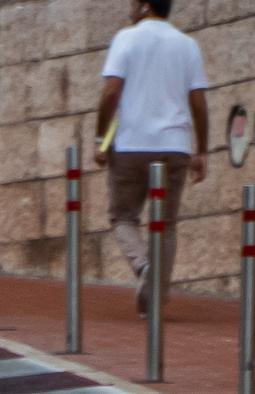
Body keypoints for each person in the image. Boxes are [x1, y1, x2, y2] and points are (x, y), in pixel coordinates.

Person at [96, 0, 209, 315]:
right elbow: (198, 102)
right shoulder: (187, 45)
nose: (130, 8)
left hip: (132, 144)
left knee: (123, 217)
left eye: (134, 2)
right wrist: (201, 150)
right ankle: (154, 297)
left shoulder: (126, 38)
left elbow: (110, 92)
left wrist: (99, 139)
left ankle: (144, 266)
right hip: (175, 145)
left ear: (145, 6)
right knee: (167, 224)